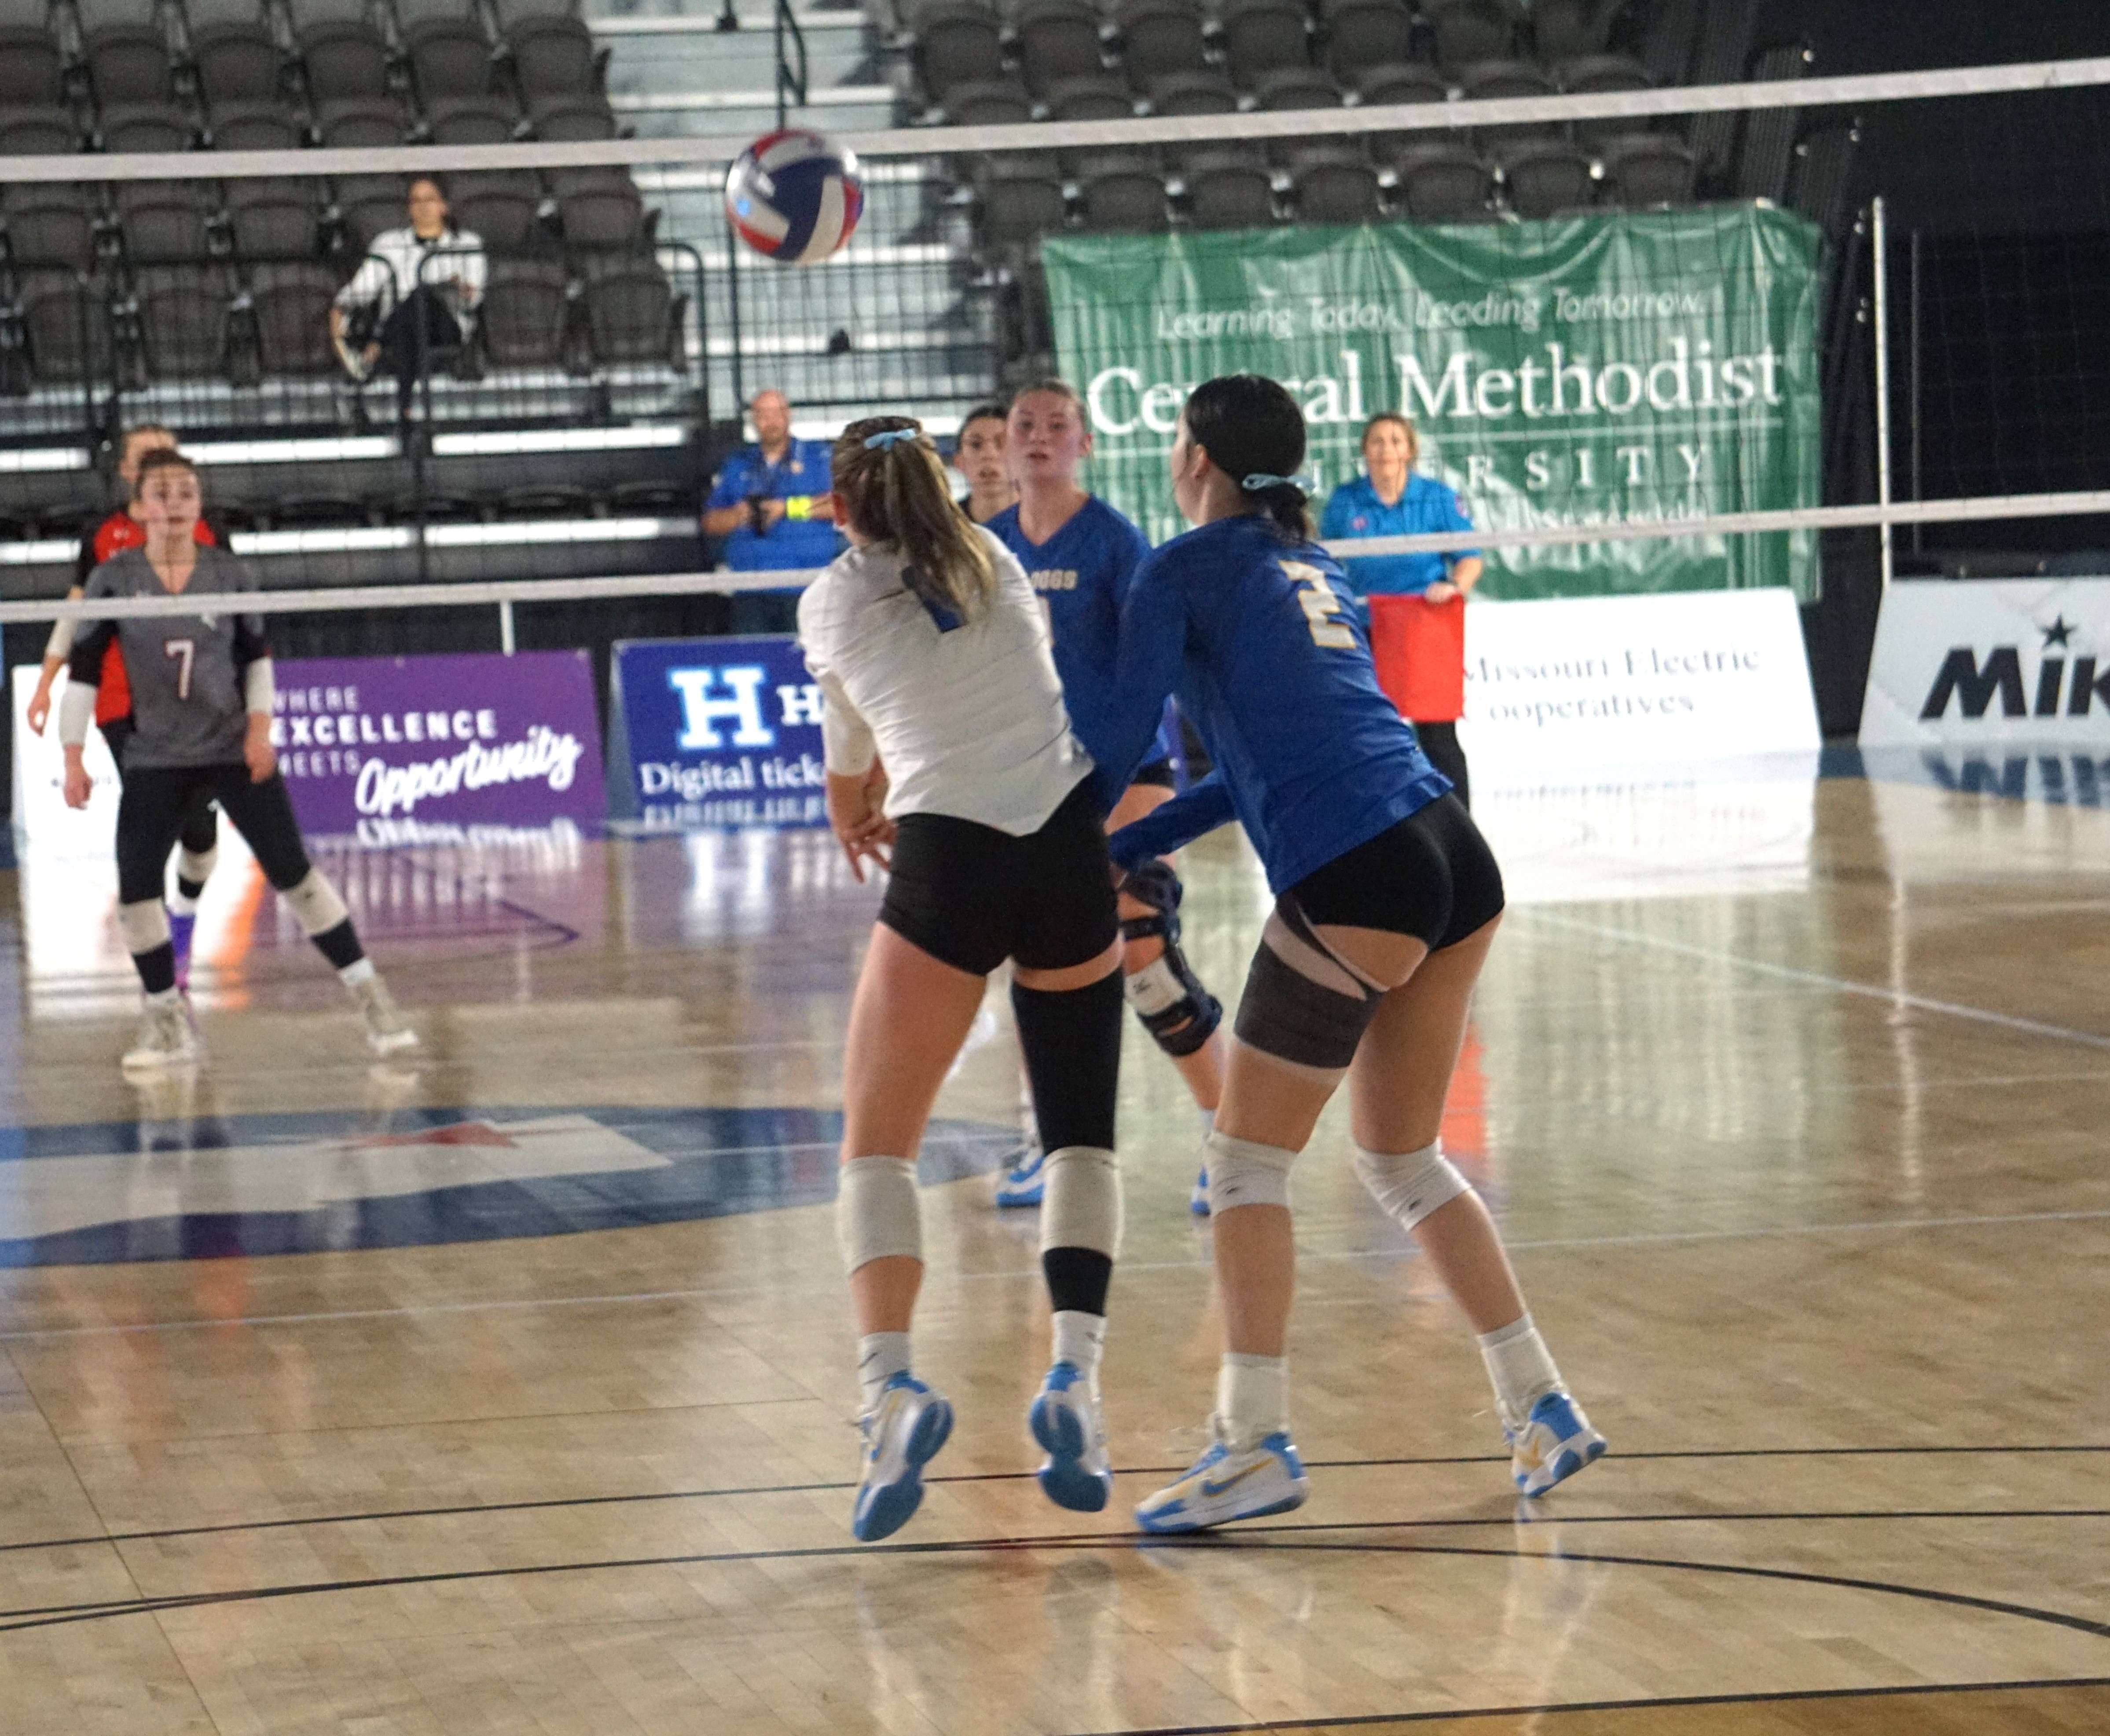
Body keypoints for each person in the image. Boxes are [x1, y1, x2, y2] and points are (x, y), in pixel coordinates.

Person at [1090, 376, 1603, 1533]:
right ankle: (1541, 1402)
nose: (1173, 456)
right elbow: (1247, 764)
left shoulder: (1186, 566)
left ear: (1202, 457)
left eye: (1179, 439)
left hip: (1359, 873)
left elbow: (1117, 735)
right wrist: (1143, 838)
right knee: (1403, 1158)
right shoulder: (1311, 566)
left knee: (1242, 1168)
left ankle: (1252, 1443)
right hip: (1452, 853)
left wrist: (1062, 846)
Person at [800, 417, 1126, 1541]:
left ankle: (891, 1387)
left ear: (841, 509)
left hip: (953, 855)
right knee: (1082, 1133)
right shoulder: (1002, 560)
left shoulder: (834, 599)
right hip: (1068, 848)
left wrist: (853, 807)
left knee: (876, 1144)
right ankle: (1074, 1378)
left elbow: (855, 757)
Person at [59, 450, 418, 1072]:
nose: (174, 503)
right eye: (162, 493)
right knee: (136, 895)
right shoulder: (112, 579)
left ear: (199, 507)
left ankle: (373, 999)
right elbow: (84, 674)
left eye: (186, 493)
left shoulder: (231, 575)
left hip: (230, 746)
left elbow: (257, 660)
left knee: (296, 876)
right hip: (156, 755)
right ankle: (165, 1020)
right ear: (141, 506)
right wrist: (72, 755)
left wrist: (261, 728)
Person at [985, 379, 1227, 1214]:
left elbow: (1151, 667)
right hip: (1035, 779)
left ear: (1085, 444)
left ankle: (1226, 1132)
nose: (1041, 437)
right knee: (1040, 959)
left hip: (1126, 773)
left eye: (1059, 426)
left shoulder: (1115, 541)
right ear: (1004, 446)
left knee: (1140, 948)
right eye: (1026, 425)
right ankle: (1048, 1144)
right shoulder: (984, 546)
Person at [26, 425, 223, 987]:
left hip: (194, 701)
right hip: (122, 700)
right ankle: (158, 959)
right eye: (148, 458)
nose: (162, 466)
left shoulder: (207, 531)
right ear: (128, 473)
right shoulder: (104, 537)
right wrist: (47, 680)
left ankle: (182, 918)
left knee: (201, 837)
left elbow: (238, 617)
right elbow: (77, 615)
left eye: (171, 457)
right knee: (152, 809)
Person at [1320, 413, 1483, 807]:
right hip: (1364, 626)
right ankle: (1378, 819)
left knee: (1436, 732)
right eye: (1376, 441)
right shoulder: (1346, 501)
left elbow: (1470, 559)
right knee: (1367, 731)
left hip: (1422, 624)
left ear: (1409, 450)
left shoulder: (1435, 497)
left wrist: (1453, 587)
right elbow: (1324, 559)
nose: (1386, 449)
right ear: (1364, 451)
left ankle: (1460, 825)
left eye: (1395, 441)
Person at [329, 175, 486, 418]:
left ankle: (374, 349)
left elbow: (474, 298)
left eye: (430, 199)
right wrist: (340, 308)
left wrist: (459, 290)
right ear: (409, 209)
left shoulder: (468, 243)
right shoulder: (389, 243)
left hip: (446, 330)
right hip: (403, 333)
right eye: (416, 200)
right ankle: (406, 411)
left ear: (444, 206)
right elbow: (362, 289)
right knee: (410, 330)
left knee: (422, 296)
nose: (423, 206)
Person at [704, 389, 844, 634]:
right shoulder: (738, 464)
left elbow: (841, 505)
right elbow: (710, 522)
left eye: (778, 413)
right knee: (754, 665)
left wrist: (788, 509)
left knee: (807, 665)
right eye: (763, 414)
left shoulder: (818, 457)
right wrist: (740, 515)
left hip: (806, 586)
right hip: (750, 587)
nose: (772, 421)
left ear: (789, 416)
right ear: (753, 420)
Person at [949, 403, 1015, 525]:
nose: (989, 454)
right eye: (976, 445)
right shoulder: (943, 526)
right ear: (959, 462)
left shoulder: (1050, 521)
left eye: (1002, 442)